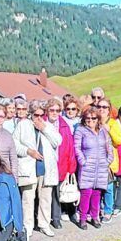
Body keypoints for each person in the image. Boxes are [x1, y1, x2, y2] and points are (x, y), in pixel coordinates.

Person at [13, 100, 61, 237]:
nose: (39, 117)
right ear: (30, 114)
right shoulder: (23, 125)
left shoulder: (48, 126)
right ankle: (27, 226)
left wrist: (44, 129)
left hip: (45, 169)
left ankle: (44, 224)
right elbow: (14, 143)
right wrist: (28, 151)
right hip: (29, 168)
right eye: (36, 115)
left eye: (41, 114)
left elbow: (57, 141)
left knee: (45, 198)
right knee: (28, 199)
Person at [74, 107, 113, 230]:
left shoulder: (103, 131)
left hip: (101, 166)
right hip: (87, 166)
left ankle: (95, 217)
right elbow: (77, 147)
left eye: (93, 118)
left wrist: (108, 160)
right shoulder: (80, 130)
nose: (91, 120)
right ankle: (83, 218)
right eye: (88, 118)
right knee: (86, 193)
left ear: (98, 119)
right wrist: (83, 161)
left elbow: (109, 146)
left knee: (97, 193)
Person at [46, 98, 77, 228]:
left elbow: (70, 147)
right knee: (48, 193)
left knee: (60, 192)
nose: (54, 113)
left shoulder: (64, 126)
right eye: (52, 110)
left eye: (57, 110)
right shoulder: (42, 123)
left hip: (62, 163)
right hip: (47, 164)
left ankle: (58, 217)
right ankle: (48, 217)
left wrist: (71, 167)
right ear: (47, 111)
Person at [97, 97, 121, 222]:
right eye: (99, 107)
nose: (101, 109)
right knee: (96, 188)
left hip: (108, 161)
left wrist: (110, 130)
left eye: (104, 107)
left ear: (109, 110)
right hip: (95, 160)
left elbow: (119, 141)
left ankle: (108, 211)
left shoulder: (113, 123)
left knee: (108, 187)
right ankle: (97, 210)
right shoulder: (93, 121)